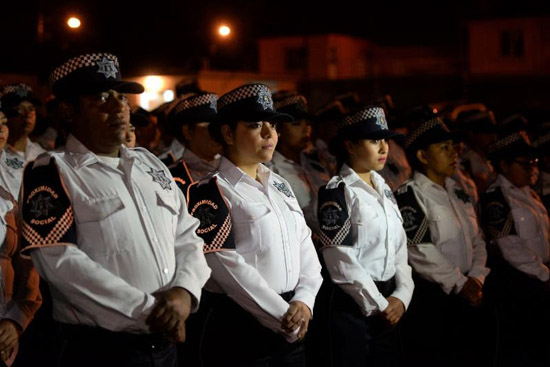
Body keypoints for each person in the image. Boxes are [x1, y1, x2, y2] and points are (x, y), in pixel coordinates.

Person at [19, 52, 211, 367]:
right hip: (101, 349)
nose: (118, 106)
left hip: (165, 345)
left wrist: (184, 293)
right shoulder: (51, 171)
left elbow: (187, 234)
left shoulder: (149, 163)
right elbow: (59, 262)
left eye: (121, 97)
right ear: (68, 110)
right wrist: (152, 311)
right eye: (100, 98)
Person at [188, 83, 323, 367]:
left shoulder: (279, 185)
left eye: (272, 125)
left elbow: (304, 245)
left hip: (295, 318)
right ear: (227, 132)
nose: (269, 133)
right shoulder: (210, 191)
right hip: (240, 327)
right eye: (255, 125)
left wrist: (305, 300)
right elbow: (226, 267)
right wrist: (283, 316)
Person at [312, 106, 414, 367]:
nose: (383, 148)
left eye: (384, 140)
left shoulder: (385, 190)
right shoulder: (337, 192)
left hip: (390, 300)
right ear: (350, 145)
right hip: (352, 306)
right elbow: (339, 259)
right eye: (373, 140)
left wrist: (402, 295)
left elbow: (400, 248)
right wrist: (381, 304)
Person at [395, 117, 491, 367]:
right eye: (444, 148)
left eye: (454, 147)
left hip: (471, 291)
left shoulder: (457, 190)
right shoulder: (410, 194)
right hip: (435, 299)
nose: (454, 153)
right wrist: (461, 283)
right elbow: (420, 251)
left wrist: (477, 278)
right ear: (423, 156)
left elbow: (478, 239)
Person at [479, 131, 550, 366]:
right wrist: (544, 274)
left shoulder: (528, 193)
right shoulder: (496, 198)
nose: (532, 168)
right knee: (521, 348)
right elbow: (510, 248)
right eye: (524, 163)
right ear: (503, 165)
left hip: (538, 277)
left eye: (534, 162)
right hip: (518, 282)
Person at [268, 92, 332, 232]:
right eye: (296, 124)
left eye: (307, 123)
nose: (306, 130)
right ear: (278, 129)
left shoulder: (316, 162)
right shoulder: (272, 171)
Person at [167, 92, 221, 187]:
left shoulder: (231, 168)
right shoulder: (172, 177)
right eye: (210, 127)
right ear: (187, 131)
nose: (218, 132)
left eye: (220, 126)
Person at [0, 84, 46, 162]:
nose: (27, 114)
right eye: (20, 108)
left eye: (31, 108)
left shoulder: (43, 155)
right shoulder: (1, 153)